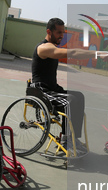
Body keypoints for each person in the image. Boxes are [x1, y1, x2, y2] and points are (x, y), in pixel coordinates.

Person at [31, 17, 95, 151]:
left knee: (79, 96)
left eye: (63, 33)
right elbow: (73, 52)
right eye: (59, 33)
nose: (62, 36)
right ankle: (66, 140)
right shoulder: (43, 48)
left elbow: (74, 51)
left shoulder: (53, 47)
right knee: (70, 101)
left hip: (53, 89)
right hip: (42, 91)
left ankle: (73, 138)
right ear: (49, 31)